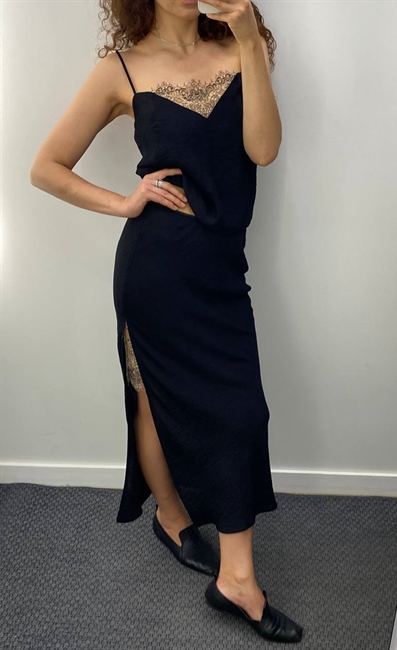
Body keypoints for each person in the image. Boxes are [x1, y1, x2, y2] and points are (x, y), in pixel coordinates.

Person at [30, 0, 303, 643]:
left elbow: (263, 150)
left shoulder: (241, 48)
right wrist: (124, 203)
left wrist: (248, 37)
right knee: (153, 401)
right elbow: (45, 167)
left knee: (242, 411)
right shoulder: (120, 70)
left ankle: (218, 561)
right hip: (154, 270)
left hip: (221, 269)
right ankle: (200, 544)